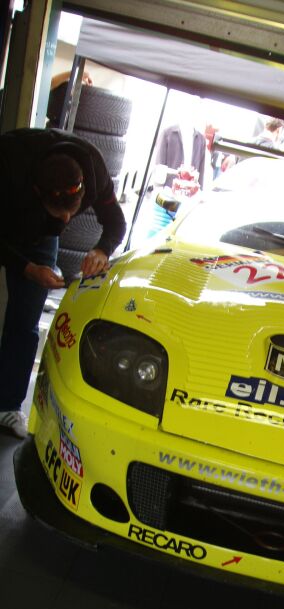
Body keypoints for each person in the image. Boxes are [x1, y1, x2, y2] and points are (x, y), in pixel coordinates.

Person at [0, 127, 126, 438]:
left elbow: (116, 222)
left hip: (42, 237)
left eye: (74, 212)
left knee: (25, 320)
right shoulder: (9, 163)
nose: (69, 220)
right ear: (36, 191)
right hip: (7, 224)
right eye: (61, 212)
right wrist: (26, 268)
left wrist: (102, 249)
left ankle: (6, 406)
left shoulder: (93, 170)